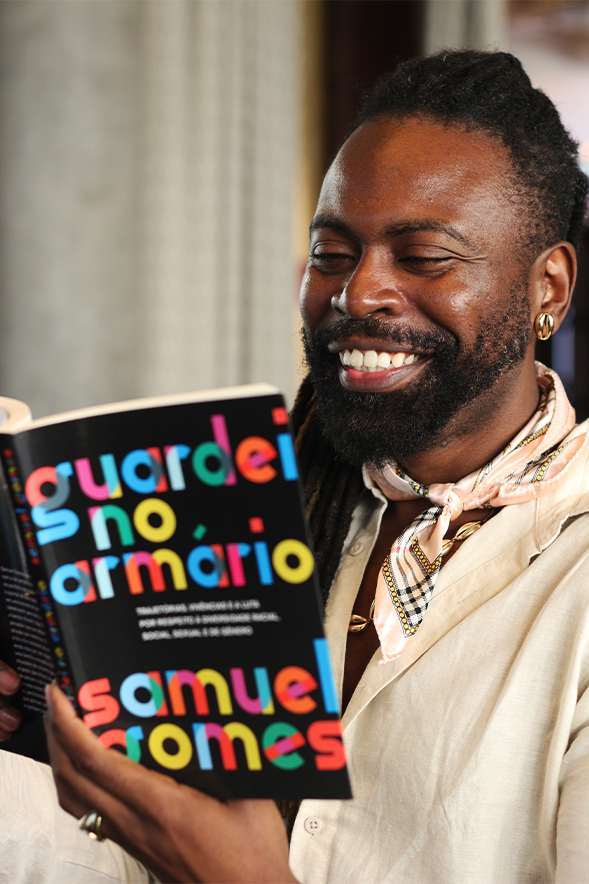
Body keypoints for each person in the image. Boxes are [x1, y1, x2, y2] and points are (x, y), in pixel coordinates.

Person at [10, 49, 589, 883]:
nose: (357, 294)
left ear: (549, 289)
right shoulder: (235, 518)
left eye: (423, 257)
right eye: (331, 253)